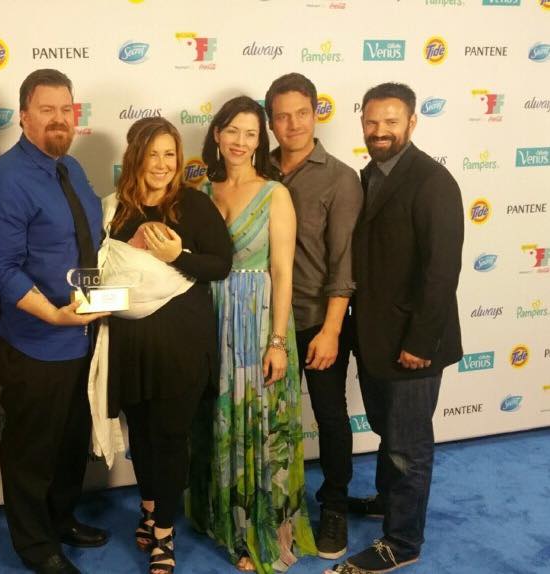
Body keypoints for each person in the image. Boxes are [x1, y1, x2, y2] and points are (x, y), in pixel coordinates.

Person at [326, 83, 463, 574]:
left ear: (411, 122)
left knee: (408, 447)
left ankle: (402, 542)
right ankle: (388, 502)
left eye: (391, 121)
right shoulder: (368, 175)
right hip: (377, 339)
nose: (379, 130)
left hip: (413, 343)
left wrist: (420, 342)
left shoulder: (433, 181)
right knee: (389, 433)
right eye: (372, 121)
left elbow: (442, 270)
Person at [0, 69, 108, 574]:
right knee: (32, 450)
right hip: (35, 342)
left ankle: (62, 519)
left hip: (83, 337)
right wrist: (53, 314)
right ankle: (36, 545)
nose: (58, 119)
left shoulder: (71, 167)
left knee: (71, 440)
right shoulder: (4, 178)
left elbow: (89, 241)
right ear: (24, 116)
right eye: (46, 109)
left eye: (65, 109)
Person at [186, 96, 316, 573]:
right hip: (210, 318)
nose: (240, 142)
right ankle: (220, 520)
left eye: (251, 134)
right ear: (216, 134)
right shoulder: (200, 190)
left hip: (259, 322)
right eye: (232, 131)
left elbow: (282, 272)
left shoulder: (274, 194)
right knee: (213, 421)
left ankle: (258, 531)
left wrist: (277, 341)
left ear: (261, 141)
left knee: (261, 427)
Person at [105, 117, 232, 574]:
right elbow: (104, 271)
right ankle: (149, 507)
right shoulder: (115, 210)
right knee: (141, 435)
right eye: (152, 154)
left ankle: (164, 531)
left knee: (170, 437)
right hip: (130, 343)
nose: (162, 164)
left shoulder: (193, 205)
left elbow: (221, 265)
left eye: (169, 155)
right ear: (134, 157)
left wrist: (177, 256)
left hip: (181, 343)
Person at [266, 73, 363, 560]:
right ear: (270, 122)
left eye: (301, 113)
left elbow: (343, 264)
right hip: (264, 322)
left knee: (329, 416)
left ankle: (335, 506)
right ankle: (270, 505)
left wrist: (331, 330)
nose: (293, 124)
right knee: (266, 419)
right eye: (282, 116)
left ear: (316, 113)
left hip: (315, 321)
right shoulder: (257, 168)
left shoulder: (340, 178)